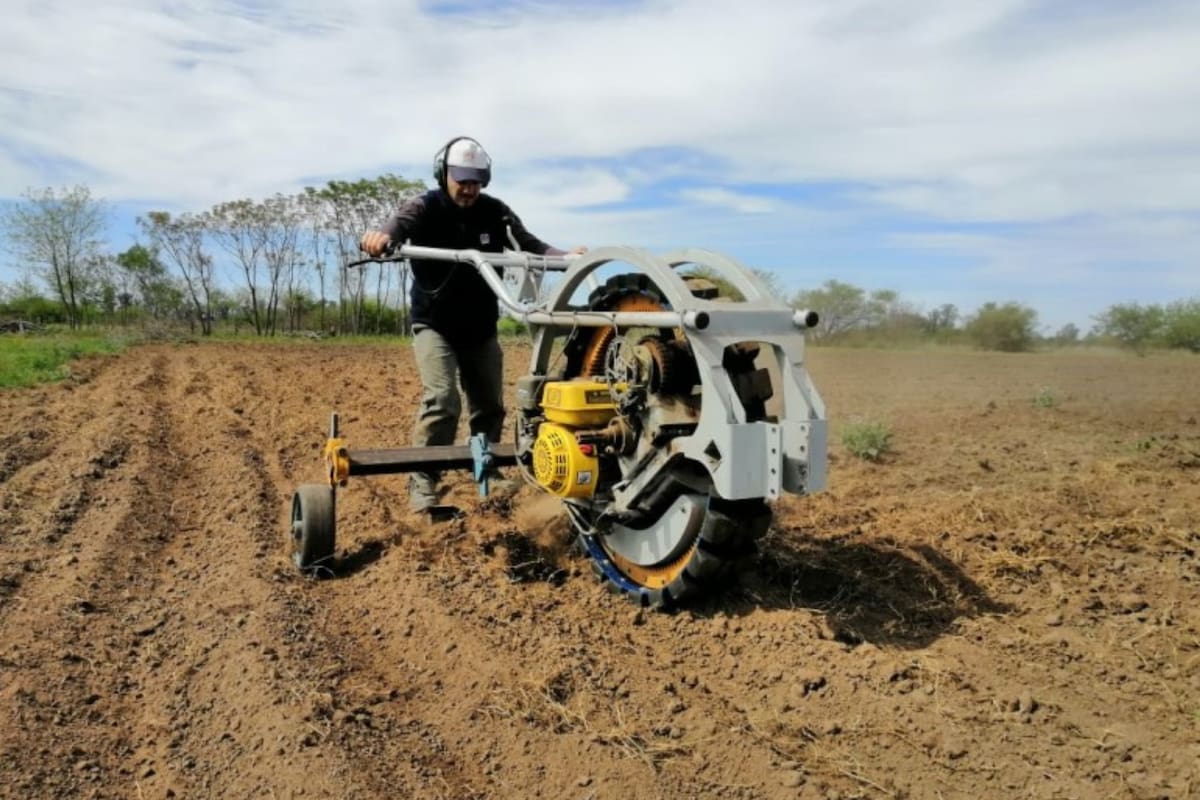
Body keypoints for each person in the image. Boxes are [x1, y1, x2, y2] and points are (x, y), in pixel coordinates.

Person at [359, 136, 584, 514]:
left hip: (480, 327)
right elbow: (397, 225)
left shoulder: (495, 212)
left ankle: (487, 468)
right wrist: (382, 238)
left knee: (489, 406)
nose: (469, 188)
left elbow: (527, 243)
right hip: (435, 326)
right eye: (462, 179)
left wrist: (565, 256)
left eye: (476, 180)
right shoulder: (424, 207)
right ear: (443, 175)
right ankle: (424, 480)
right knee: (443, 400)